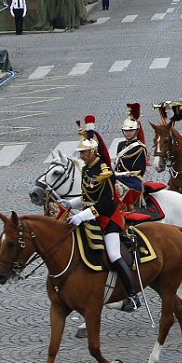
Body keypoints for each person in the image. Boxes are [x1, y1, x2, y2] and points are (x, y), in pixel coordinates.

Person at [59, 132, 142, 312]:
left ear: (92, 152)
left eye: (84, 153)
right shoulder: (86, 169)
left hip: (108, 219)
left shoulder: (105, 172)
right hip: (91, 216)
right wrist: (70, 203)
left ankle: (132, 295)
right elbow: (87, 196)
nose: (81, 156)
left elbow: (105, 203)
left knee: (113, 255)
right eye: (80, 153)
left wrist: (82, 215)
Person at [114, 103, 148, 210]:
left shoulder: (140, 148)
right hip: (118, 177)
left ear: (136, 131)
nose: (128, 133)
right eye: (126, 131)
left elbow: (139, 170)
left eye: (131, 131)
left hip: (132, 179)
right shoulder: (120, 145)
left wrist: (123, 175)